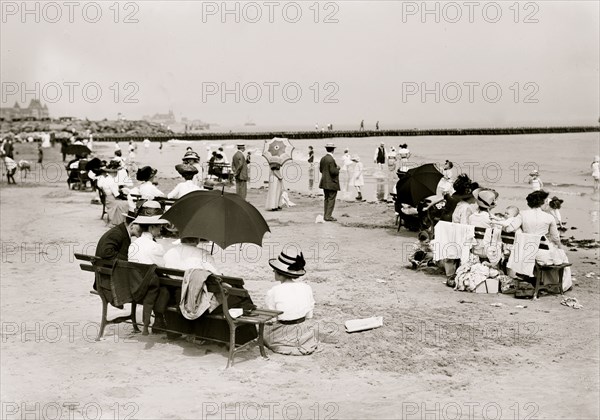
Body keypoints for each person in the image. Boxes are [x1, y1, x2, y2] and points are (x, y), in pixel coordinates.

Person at [264, 249, 317, 356]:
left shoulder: (273, 291)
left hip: (283, 332)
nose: (273, 271)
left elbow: (273, 319)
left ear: (279, 273)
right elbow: (309, 316)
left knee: (264, 332)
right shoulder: (306, 287)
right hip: (303, 331)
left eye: (275, 269)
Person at [520, 190, 572, 290]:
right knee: (561, 256)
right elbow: (555, 237)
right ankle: (562, 285)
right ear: (543, 203)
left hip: (526, 251)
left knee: (550, 251)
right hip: (542, 253)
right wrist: (560, 248)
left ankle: (540, 279)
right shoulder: (549, 217)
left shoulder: (522, 214)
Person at [97, 161, 130, 226]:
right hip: (111, 201)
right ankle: (121, 222)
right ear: (114, 172)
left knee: (125, 201)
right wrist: (126, 197)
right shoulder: (112, 181)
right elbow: (117, 195)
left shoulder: (106, 179)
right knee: (127, 204)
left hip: (107, 199)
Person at [319, 143, 340, 221]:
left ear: (326, 149)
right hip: (332, 182)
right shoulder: (331, 159)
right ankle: (328, 216)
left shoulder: (323, 158)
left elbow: (321, 170)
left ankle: (326, 215)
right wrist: (338, 168)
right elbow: (333, 172)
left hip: (324, 181)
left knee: (326, 198)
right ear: (333, 149)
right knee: (331, 199)